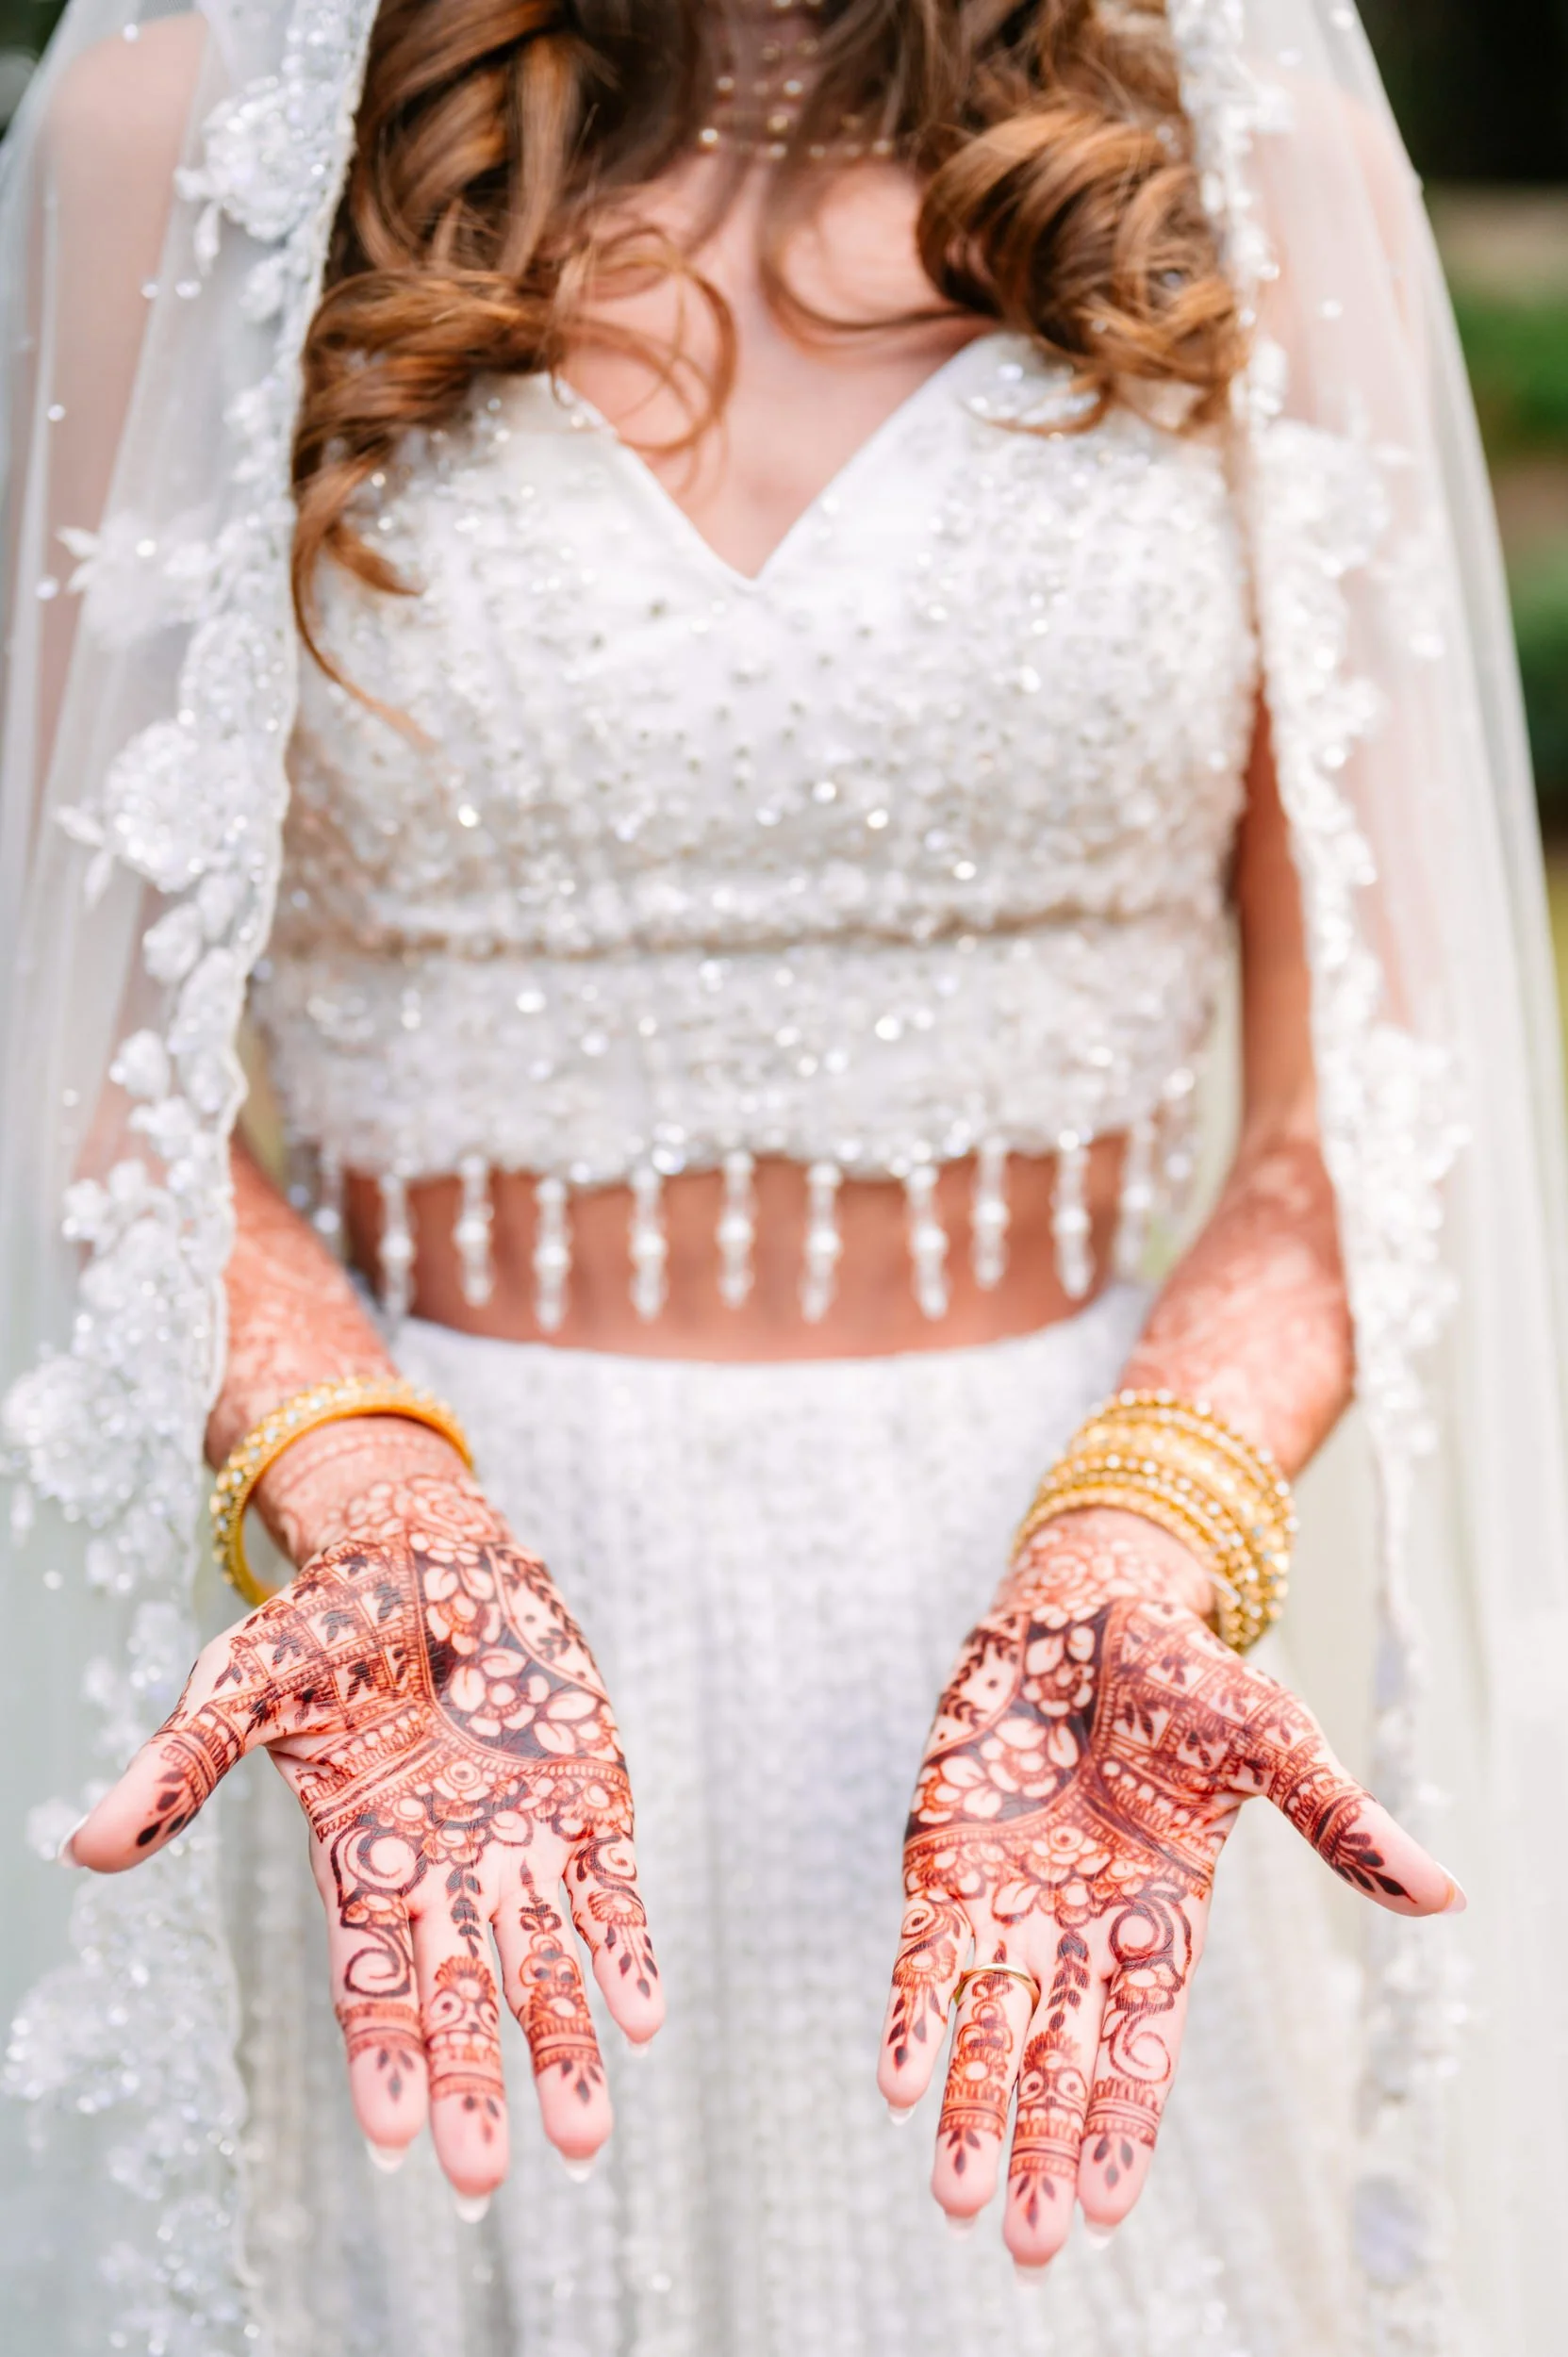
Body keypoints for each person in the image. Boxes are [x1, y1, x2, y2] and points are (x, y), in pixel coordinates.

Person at [1, 3, 1565, 2352]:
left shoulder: (1247, 139)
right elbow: (73, 1042)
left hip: (1056, 1698)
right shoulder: (187, 127)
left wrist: (1155, 1520)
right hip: (416, 1736)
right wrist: (362, 1481)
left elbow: (1378, 1084)